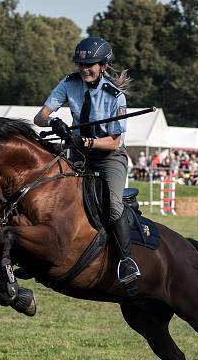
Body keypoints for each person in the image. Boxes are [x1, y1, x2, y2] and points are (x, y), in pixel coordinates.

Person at [34, 36, 140, 293]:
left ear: (103, 65)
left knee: (113, 202)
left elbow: (114, 143)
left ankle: (126, 261)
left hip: (108, 158)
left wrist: (84, 141)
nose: (84, 69)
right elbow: (40, 117)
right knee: (49, 194)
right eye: (81, 64)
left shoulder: (116, 97)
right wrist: (54, 123)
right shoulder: (69, 83)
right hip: (78, 152)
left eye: (90, 64)